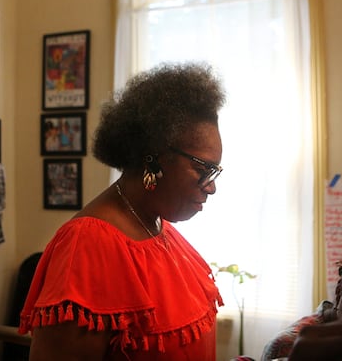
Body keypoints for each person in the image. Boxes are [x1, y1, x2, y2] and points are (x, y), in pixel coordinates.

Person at [19, 62, 226, 360]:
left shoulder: (158, 227)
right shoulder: (87, 247)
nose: (211, 187)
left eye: (215, 171)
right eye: (202, 169)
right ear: (153, 158)